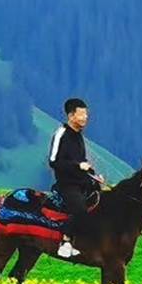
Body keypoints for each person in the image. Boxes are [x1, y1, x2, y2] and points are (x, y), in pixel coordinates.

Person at [48, 97, 101, 258]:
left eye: (86, 114)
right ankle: (65, 240)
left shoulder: (78, 135)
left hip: (83, 182)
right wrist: (77, 166)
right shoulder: (61, 134)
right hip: (67, 184)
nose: (86, 117)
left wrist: (93, 174)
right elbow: (53, 161)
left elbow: (80, 160)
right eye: (82, 114)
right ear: (71, 116)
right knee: (80, 209)